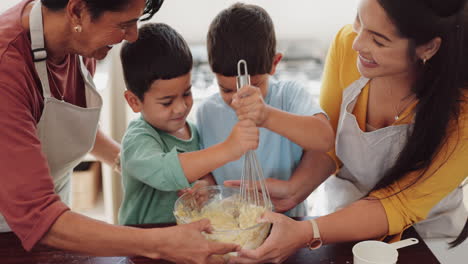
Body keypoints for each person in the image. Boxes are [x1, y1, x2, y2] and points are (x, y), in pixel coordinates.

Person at [228, 0, 468, 263]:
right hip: (344, 225)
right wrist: (296, 188)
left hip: (429, 237)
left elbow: (397, 205)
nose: (358, 43)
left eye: (378, 40)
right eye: (359, 21)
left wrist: (305, 231)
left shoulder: (462, 111)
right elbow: (331, 141)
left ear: (428, 47)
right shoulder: (347, 44)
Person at [0, 0, 240, 262]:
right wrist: (161, 243)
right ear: (77, 11)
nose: (133, 35)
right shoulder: (7, 70)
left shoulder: (77, 42)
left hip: (56, 215)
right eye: (124, 24)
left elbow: (63, 126)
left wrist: (127, 160)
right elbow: (38, 215)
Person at [196, 3, 335, 217]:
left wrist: (267, 115)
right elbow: (208, 173)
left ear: (274, 63)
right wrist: (204, 187)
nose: (237, 101)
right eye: (226, 89)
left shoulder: (289, 95)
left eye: (254, 87)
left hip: (289, 223)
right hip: (235, 226)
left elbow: (324, 138)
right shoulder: (206, 113)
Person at [118, 22, 259, 225]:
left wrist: (205, 187)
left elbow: (205, 173)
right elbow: (166, 172)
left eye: (186, 93)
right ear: (134, 101)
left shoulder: (191, 130)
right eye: (167, 102)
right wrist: (230, 148)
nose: (181, 107)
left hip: (183, 241)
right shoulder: (137, 140)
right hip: (143, 243)